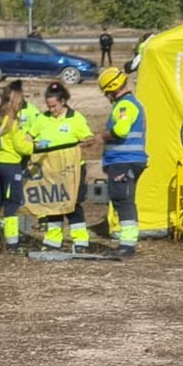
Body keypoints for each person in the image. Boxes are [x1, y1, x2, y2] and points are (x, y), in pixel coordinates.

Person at [33, 82, 94, 250]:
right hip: (51, 170)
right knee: (53, 203)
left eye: (54, 106)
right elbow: (28, 137)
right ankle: (53, 241)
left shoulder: (75, 118)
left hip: (72, 169)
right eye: (49, 106)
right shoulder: (42, 118)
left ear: (63, 101)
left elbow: (88, 138)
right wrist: (35, 144)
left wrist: (82, 144)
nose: (52, 109)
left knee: (73, 204)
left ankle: (80, 241)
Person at [95, 66, 147, 258]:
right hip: (125, 161)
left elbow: (122, 130)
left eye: (107, 92)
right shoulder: (129, 104)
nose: (107, 96)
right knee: (123, 200)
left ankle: (127, 244)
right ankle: (127, 241)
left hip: (125, 161)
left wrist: (103, 136)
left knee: (123, 201)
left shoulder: (125, 106)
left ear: (113, 88)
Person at [0, 85, 34, 253]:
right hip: (11, 165)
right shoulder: (13, 121)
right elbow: (22, 147)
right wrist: (32, 143)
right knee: (12, 203)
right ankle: (12, 244)